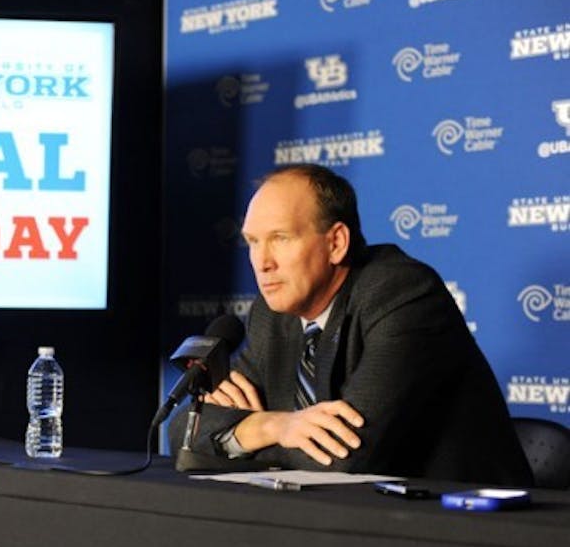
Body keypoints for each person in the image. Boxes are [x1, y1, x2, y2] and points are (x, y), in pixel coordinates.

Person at [169, 163, 533, 486]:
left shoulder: (402, 294)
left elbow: (342, 460)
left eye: (280, 238)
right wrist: (273, 425)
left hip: (470, 529)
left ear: (336, 243)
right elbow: (185, 431)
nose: (261, 262)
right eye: (252, 242)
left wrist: (240, 436)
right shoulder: (273, 316)